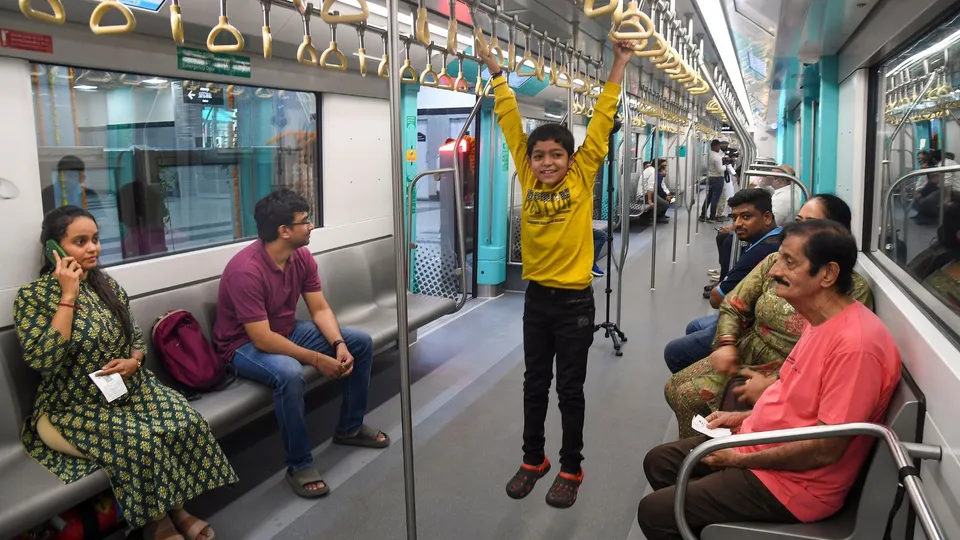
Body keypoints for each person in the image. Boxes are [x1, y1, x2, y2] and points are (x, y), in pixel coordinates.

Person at [638, 220, 902, 539]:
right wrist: (743, 416)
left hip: (794, 485)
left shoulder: (856, 347)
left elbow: (824, 449)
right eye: (779, 258)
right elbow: (793, 396)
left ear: (828, 274)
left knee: (655, 512)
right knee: (660, 462)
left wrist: (737, 458)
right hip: (761, 444)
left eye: (789, 262)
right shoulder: (819, 321)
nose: (775, 270)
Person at [14, 206, 237, 540]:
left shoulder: (108, 287)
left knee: (184, 421)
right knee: (142, 443)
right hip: (72, 406)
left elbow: (134, 338)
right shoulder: (33, 297)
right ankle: (160, 521)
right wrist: (69, 296)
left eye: (95, 239)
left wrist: (134, 362)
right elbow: (44, 360)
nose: (93, 248)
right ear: (54, 249)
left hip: (127, 387)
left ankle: (176, 507)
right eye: (80, 241)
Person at [478, 37, 635, 508]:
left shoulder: (583, 175)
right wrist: (494, 71)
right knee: (533, 384)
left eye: (556, 155)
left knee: (569, 387)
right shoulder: (527, 177)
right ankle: (533, 459)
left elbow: (603, 118)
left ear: (570, 158)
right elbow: (507, 119)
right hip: (537, 300)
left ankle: (571, 464)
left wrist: (620, 62)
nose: (547, 163)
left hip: (575, 303)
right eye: (539, 156)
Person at [213, 189, 389, 500]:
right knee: (289, 373)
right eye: (305, 222)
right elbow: (262, 338)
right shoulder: (246, 271)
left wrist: (338, 344)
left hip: (285, 330)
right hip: (242, 345)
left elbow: (319, 309)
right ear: (284, 231)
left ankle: (349, 427)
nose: (310, 227)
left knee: (359, 342)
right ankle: (299, 464)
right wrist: (318, 360)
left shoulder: (301, 258)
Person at [665, 195, 874, 437]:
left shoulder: (849, 291)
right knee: (674, 387)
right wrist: (726, 343)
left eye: (811, 224)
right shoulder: (775, 261)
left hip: (788, 368)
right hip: (749, 347)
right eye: (797, 222)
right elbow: (733, 304)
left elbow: (823, 357)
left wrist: (777, 382)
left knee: (688, 396)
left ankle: (707, 455)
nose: (798, 231)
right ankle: (701, 446)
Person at [665, 188, 781, 374]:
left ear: (767, 217)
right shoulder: (770, 238)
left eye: (746, 217)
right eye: (735, 217)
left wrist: (722, 286)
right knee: (694, 326)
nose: (737, 224)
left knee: (674, 351)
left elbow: (716, 299)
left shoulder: (762, 252)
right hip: (746, 313)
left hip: (748, 324)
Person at [699, 140, 725, 222]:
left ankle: (703, 215)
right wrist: (726, 166)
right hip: (718, 178)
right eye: (718, 146)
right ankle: (712, 217)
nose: (719, 148)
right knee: (715, 198)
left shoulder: (709, 154)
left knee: (709, 197)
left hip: (711, 178)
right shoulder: (717, 157)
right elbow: (720, 169)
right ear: (715, 146)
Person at [639, 160, 670, 224]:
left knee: (663, 201)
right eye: (662, 166)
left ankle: (655, 216)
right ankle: (646, 216)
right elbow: (650, 188)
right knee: (665, 204)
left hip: (647, 193)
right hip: (644, 194)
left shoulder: (651, 170)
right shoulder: (653, 171)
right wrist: (650, 201)